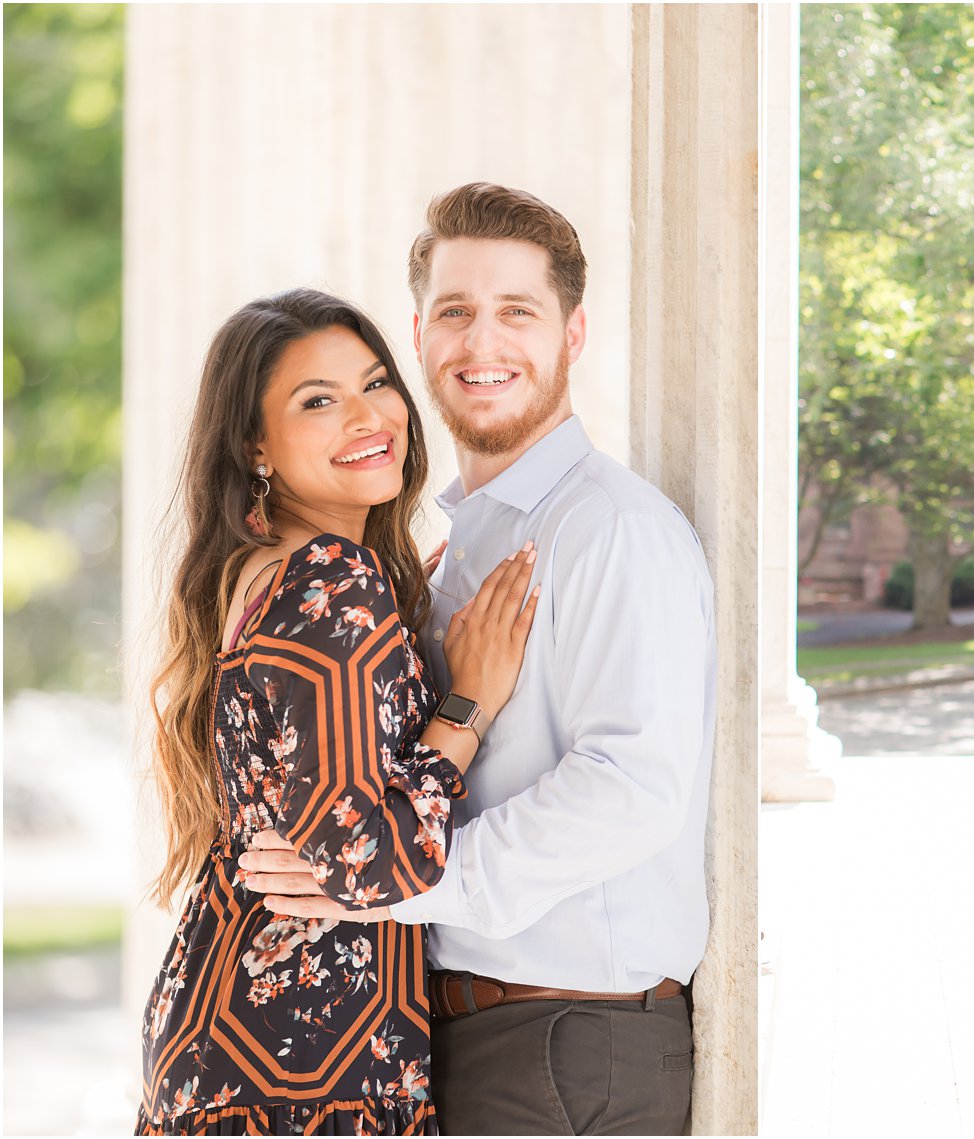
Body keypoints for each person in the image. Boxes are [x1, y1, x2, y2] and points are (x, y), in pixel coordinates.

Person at [242, 184, 718, 1135]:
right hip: (475, 1029)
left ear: (573, 335)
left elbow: (632, 785)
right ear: (419, 336)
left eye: (518, 313)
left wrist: (401, 879)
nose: (482, 343)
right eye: (456, 312)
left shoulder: (610, 529)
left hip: (571, 1038)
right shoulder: (454, 543)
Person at [136, 288, 538, 1134]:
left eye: (376, 382)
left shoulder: (274, 570)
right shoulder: (327, 580)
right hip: (299, 1071)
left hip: (247, 1044)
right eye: (317, 400)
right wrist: (465, 708)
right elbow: (370, 868)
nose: (368, 416)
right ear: (256, 445)